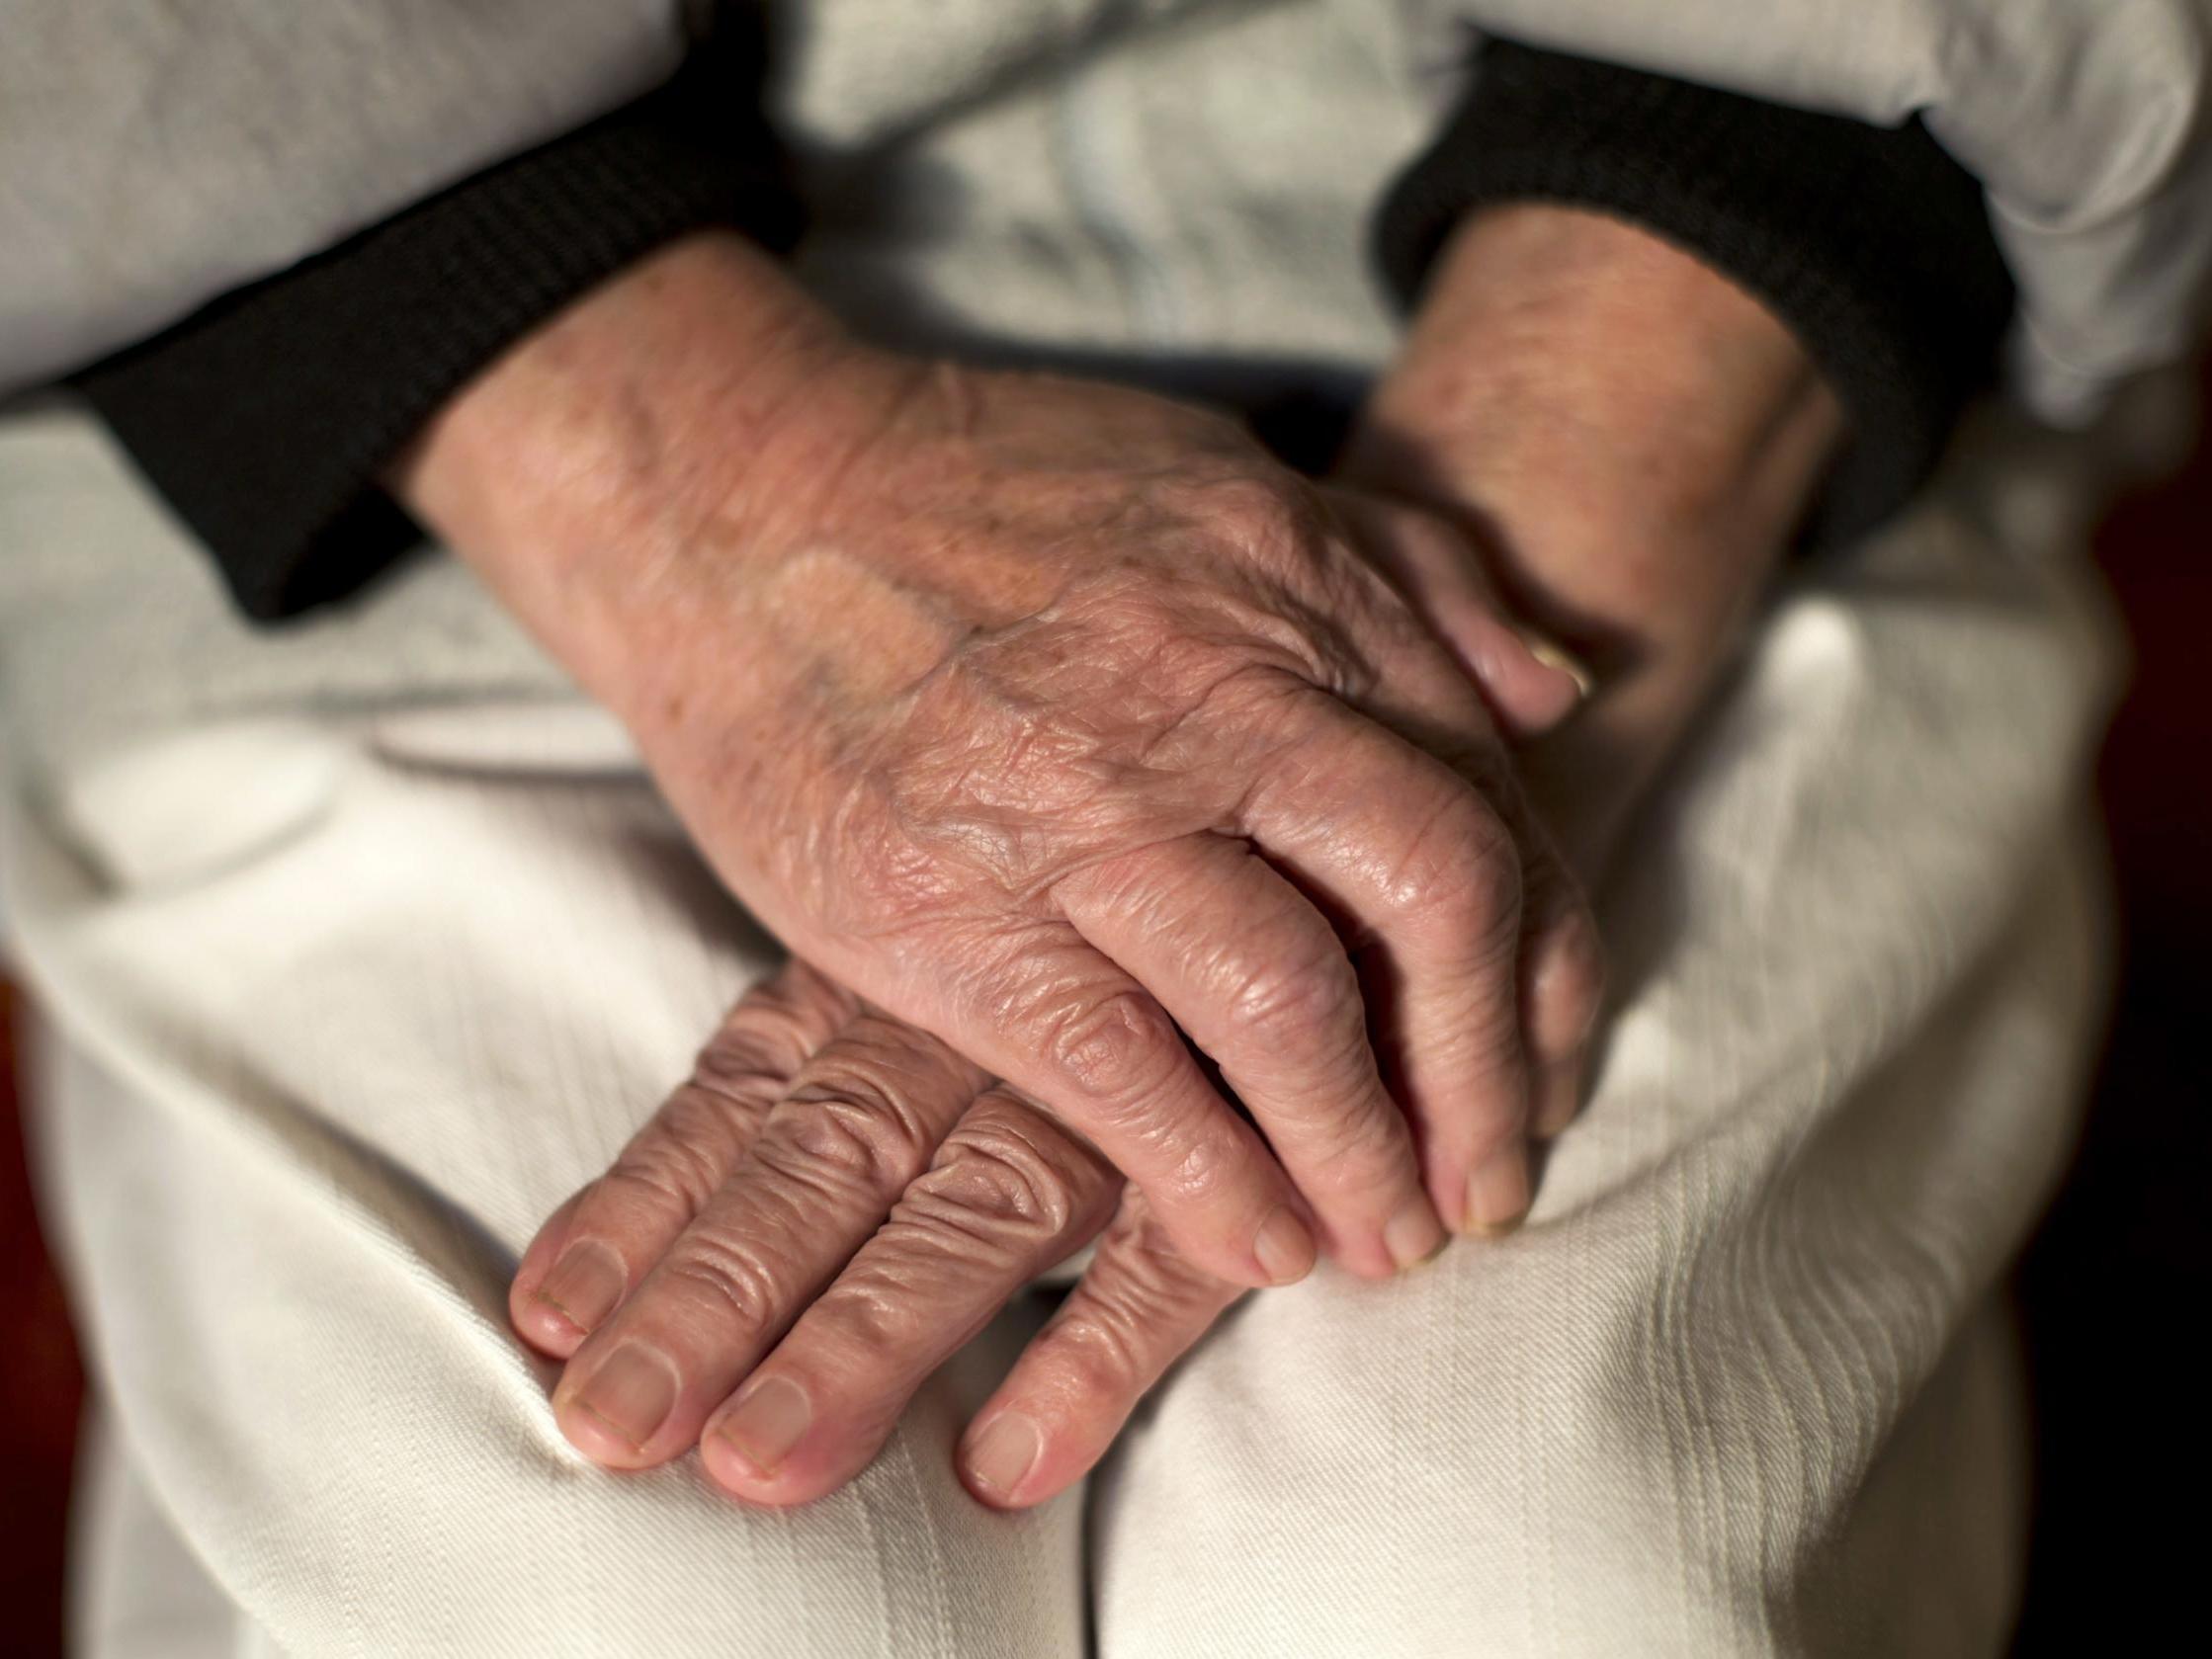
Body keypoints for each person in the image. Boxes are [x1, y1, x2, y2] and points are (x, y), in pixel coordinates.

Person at [0, 3, 2200, 1653]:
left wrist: (1482, 607)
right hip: (387, 432)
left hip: (1722, 330)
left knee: (1514, 1589)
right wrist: (703, 488)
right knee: (614, 1599)